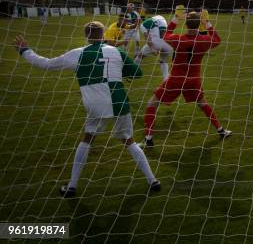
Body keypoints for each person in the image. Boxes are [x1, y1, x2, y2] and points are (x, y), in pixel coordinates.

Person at [14, 22, 160, 197]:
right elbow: (137, 73)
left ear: (86, 36)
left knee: (87, 139)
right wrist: (117, 70)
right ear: (103, 33)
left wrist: (25, 51)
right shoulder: (116, 51)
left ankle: (72, 186)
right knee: (129, 140)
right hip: (120, 101)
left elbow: (47, 64)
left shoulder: (78, 53)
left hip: (95, 105)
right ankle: (153, 180)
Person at [141, 11, 231, 147]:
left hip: (176, 79)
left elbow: (165, 34)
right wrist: (207, 23)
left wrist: (176, 19)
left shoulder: (178, 39)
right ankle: (221, 130)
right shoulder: (204, 40)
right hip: (193, 80)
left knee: (151, 103)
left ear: (186, 24)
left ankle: (148, 139)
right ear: (199, 23)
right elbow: (217, 39)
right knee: (203, 104)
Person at [135, 14, 172, 80]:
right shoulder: (159, 18)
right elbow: (164, 31)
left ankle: (133, 69)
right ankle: (166, 78)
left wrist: (153, 49)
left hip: (156, 40)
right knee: (163, 59)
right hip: (166, 39)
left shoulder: (142, 26)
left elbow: (147, 38)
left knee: (140, 55)